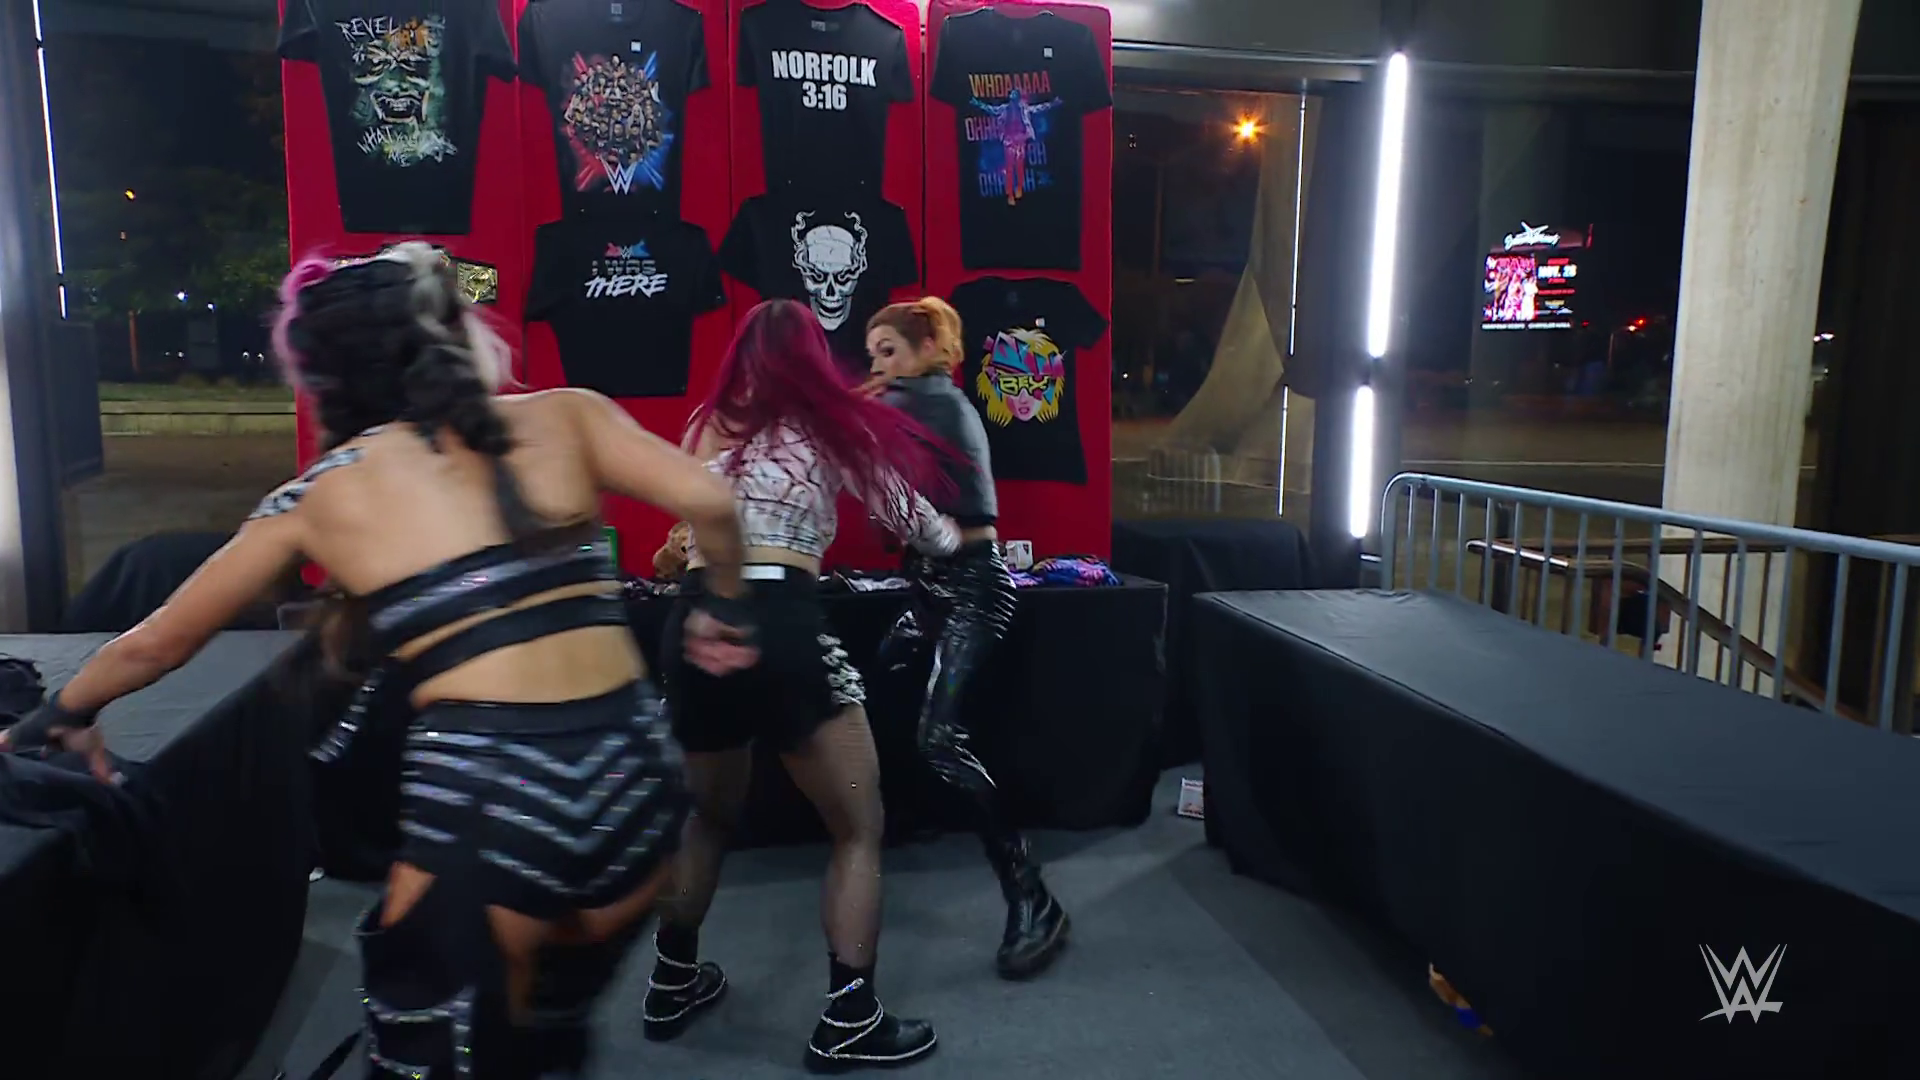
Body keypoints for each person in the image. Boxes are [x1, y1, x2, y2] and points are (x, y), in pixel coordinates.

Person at [0, 243, 758, 1079]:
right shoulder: (569, 414)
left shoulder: (320, 495)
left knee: (431, 1043)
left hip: (499, 805)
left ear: (329, 379)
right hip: (634, 786)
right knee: (545, 1032)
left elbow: (157, 642)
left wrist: (57, 716)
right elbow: (712, 500)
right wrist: (719, 608)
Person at [646, 299, 960, 1072]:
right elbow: (918, 523)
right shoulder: (830, 423)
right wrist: (953, 537)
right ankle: (850, 1016)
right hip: (779, 616)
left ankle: (670, 981)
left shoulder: (704, 424)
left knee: (706, 818)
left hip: (694, 618)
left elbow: (678, 535)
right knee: (858, 825)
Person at [864, 298, 1070, 980]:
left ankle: (1033, 897)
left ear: (927, 349)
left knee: (939, 739)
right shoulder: (905, 405)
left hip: (976, 589)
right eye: (872, 354)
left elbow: (856, 425)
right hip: (928, 588)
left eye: (888, 351)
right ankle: (908, 816)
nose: (877, 366)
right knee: (877, 685)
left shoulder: (934, 402)